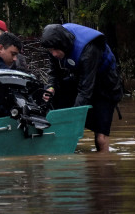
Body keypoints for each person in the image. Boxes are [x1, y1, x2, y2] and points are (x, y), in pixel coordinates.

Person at [39, 23, 124, 153]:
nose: (54, 54)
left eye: (55, 50)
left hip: (105, 85)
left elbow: (85, 91)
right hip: (79, 79)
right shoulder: (53, 45)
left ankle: (104, 161)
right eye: (50, 50)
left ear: (64, 44)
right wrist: (50, 88)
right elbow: (54, 74)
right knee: (54, 98)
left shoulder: (89, 50)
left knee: (100, 137)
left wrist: (73, 120)